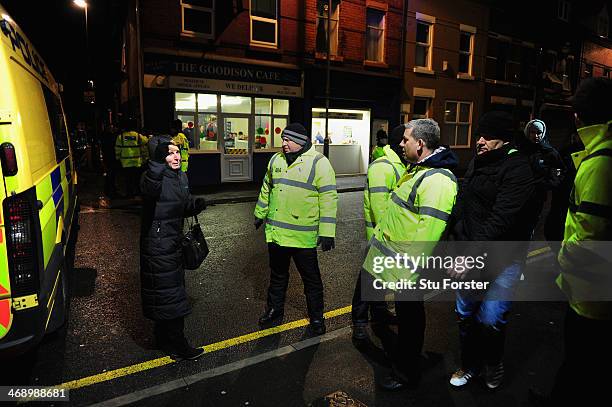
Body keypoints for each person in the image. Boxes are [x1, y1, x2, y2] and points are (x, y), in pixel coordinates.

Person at [362, 118, 458, 390]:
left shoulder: (437, 180)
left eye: (405, 140)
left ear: (421, 143)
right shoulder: (419, 170)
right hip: (400, 266)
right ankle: (404, 367)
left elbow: (428, 233)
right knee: (407, 322)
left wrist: (407, 272)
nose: (401, 144)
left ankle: (406, 374)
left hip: (410, 270)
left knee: (410, 325)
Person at [447, 111, 539, 390]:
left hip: (503, 258)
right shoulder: (478, 162)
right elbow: (463, 202)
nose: (480, 140)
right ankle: (469, 364)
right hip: (472, 252)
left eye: (487, 136)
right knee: (465, 314)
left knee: (490, 318)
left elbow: (501, 218)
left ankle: (493, 361)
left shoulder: (519, 169)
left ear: (504, 139)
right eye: (479, 135)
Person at [547, 77, 612, 404]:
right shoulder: (599, 154)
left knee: (582, 368)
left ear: (577, 116)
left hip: (592, 297)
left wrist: (563, 269)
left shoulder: (601, 164)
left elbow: (589, 234)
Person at [254, 123, 338, 336]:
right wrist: (259, 213)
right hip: (277, 235)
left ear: (300, 142)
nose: (283, 144)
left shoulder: (319, 163)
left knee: (311, 280)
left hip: (302, 237)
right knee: (278, 275)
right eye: (283, 139)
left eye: (287, 140)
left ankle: (317, 317)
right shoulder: (276, 160)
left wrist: (327, 232)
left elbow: (328, 198)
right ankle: (274, 310)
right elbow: (266, 188)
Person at [140, 136, 207, 360]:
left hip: (173, 243)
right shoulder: (152, 177)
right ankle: (180, 346)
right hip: (158, 245)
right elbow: (150, 190)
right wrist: (157, 163)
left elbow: (180, 205)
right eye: (169, 153)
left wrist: (193, 205)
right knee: (173, 296)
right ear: (159, 157)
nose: (176, 156)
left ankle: (163, 339)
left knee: (167, 294)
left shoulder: (180, 176)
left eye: (177, 151)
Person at [352, 124, 407, 341]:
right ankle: (359, 321)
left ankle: (379, 312)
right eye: (406, 140)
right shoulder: (383, 167)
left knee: (379, 279)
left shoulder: (401, 165)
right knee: (368, 279)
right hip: (380, 235)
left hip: (392, 235)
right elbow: (380, 208)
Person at [115, 117, 149, 198]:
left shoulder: (120, 137)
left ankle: (129, 194)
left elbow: (117, 149)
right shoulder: (137, 136)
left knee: (128, 179)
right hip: (136, 162)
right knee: (136, 179)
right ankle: (137, 193)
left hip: (125, 163)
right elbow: (146, 141)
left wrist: (117, 158)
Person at [101, 123, 118, 198]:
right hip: (110, 158)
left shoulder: (105, 136)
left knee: (109, 175)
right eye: (111, 128)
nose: (113, 129)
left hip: (107, 158)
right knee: (111, 175)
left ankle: (109, 190)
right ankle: (111, 191)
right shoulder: (111, 137)